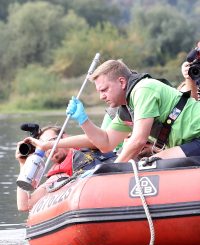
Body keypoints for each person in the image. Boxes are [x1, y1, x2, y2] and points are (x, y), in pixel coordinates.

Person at [23, 59, 200, 164]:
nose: (101, 96)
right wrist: (83, 120)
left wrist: (114, 169)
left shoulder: (143, 90)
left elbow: (138, 140)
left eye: (104, 89)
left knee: (157, 163)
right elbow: (106, 143)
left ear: (122, 82)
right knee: (156, 163)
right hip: (190, 142)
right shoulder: (126, 109)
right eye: (99, 91)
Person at [16, 125, 116, 211]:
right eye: (43, 147)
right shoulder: (56, 178)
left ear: (65, 137)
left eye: (51, 141)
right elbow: (24, 205)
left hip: (116, 181)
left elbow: (99, 140)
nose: (48, 148)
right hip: (93, 202)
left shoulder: (87, 145)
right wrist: (23, 164)